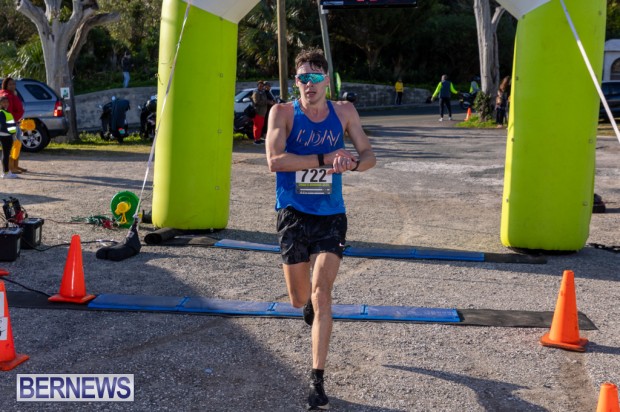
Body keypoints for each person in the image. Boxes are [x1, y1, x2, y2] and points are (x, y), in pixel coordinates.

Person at [265, 47, 376, 410]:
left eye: (315, 77)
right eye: (302, 78)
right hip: (293, 213)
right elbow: (274, 161)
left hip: (331, 215)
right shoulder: (282, 113)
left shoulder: (344, 112)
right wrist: (323, 159)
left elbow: (369, 156)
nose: (308, 85)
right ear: (296, 81)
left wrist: (351, 164)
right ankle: (307, 308)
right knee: (300, 298)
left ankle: (317, 380)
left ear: (327, 80)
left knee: (322, 292)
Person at [0, 77, 26, 174]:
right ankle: (11, 167)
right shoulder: (6, 95)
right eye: (10, 84)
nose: (12, 86)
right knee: (13, 146)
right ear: (5, 85)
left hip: (16, 122)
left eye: (14, 84)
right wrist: (14, 121)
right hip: (11, 124)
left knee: (17, 144)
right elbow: (8, 111)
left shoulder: (12, 94)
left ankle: (15, 165)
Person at [0, 96, 18, 179]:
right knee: (6, 154)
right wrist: (14, 124)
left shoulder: (6, 112)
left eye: (7, 102)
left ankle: (6, 172)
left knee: (6, 154)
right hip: (5, 135)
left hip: (8, 135)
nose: (6, 104)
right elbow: (2, 125)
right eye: (3, 102)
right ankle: (6, 173)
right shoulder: (1, 112)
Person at [251, 80, 269, 145]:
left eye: (262, 86)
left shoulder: (262, 92)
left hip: (262, 113)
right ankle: (256, 140)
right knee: (257, 126)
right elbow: (256, 102)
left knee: (260, 126)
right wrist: (266, 102)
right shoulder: (256, 93)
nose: (261, 87)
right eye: (260, 86)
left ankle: (258, 138)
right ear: (257, 86)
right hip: (258, 112)